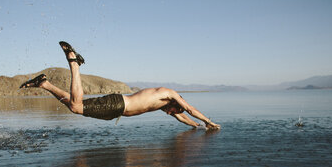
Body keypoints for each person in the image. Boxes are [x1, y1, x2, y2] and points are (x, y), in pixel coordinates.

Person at [19, 41, 220, 130]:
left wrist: (198, 127)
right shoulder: (170, 94)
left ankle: (44, 83)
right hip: (117, 104)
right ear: (178, 103)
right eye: (174, 110)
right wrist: (208, 122)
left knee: (75, 106)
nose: (170, 113)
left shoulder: (166, 105)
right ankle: (74, 62)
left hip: (115, 110)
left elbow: (184, 117)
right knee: (77, 106)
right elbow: (190, 110)